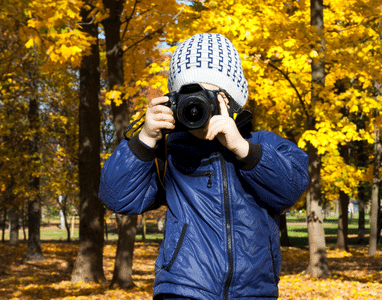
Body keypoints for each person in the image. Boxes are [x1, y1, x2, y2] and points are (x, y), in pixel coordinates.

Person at [99, 33, 309, 300]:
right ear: (174, 102)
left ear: (230, 100)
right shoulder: (168, 153)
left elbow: (291, 189)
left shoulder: (261, 145)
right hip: (184, 289)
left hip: (255, 291)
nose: (198, 108)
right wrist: (145, 139)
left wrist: (242, 149)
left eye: (209, 96)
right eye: (190, 96)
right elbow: (116, 197)